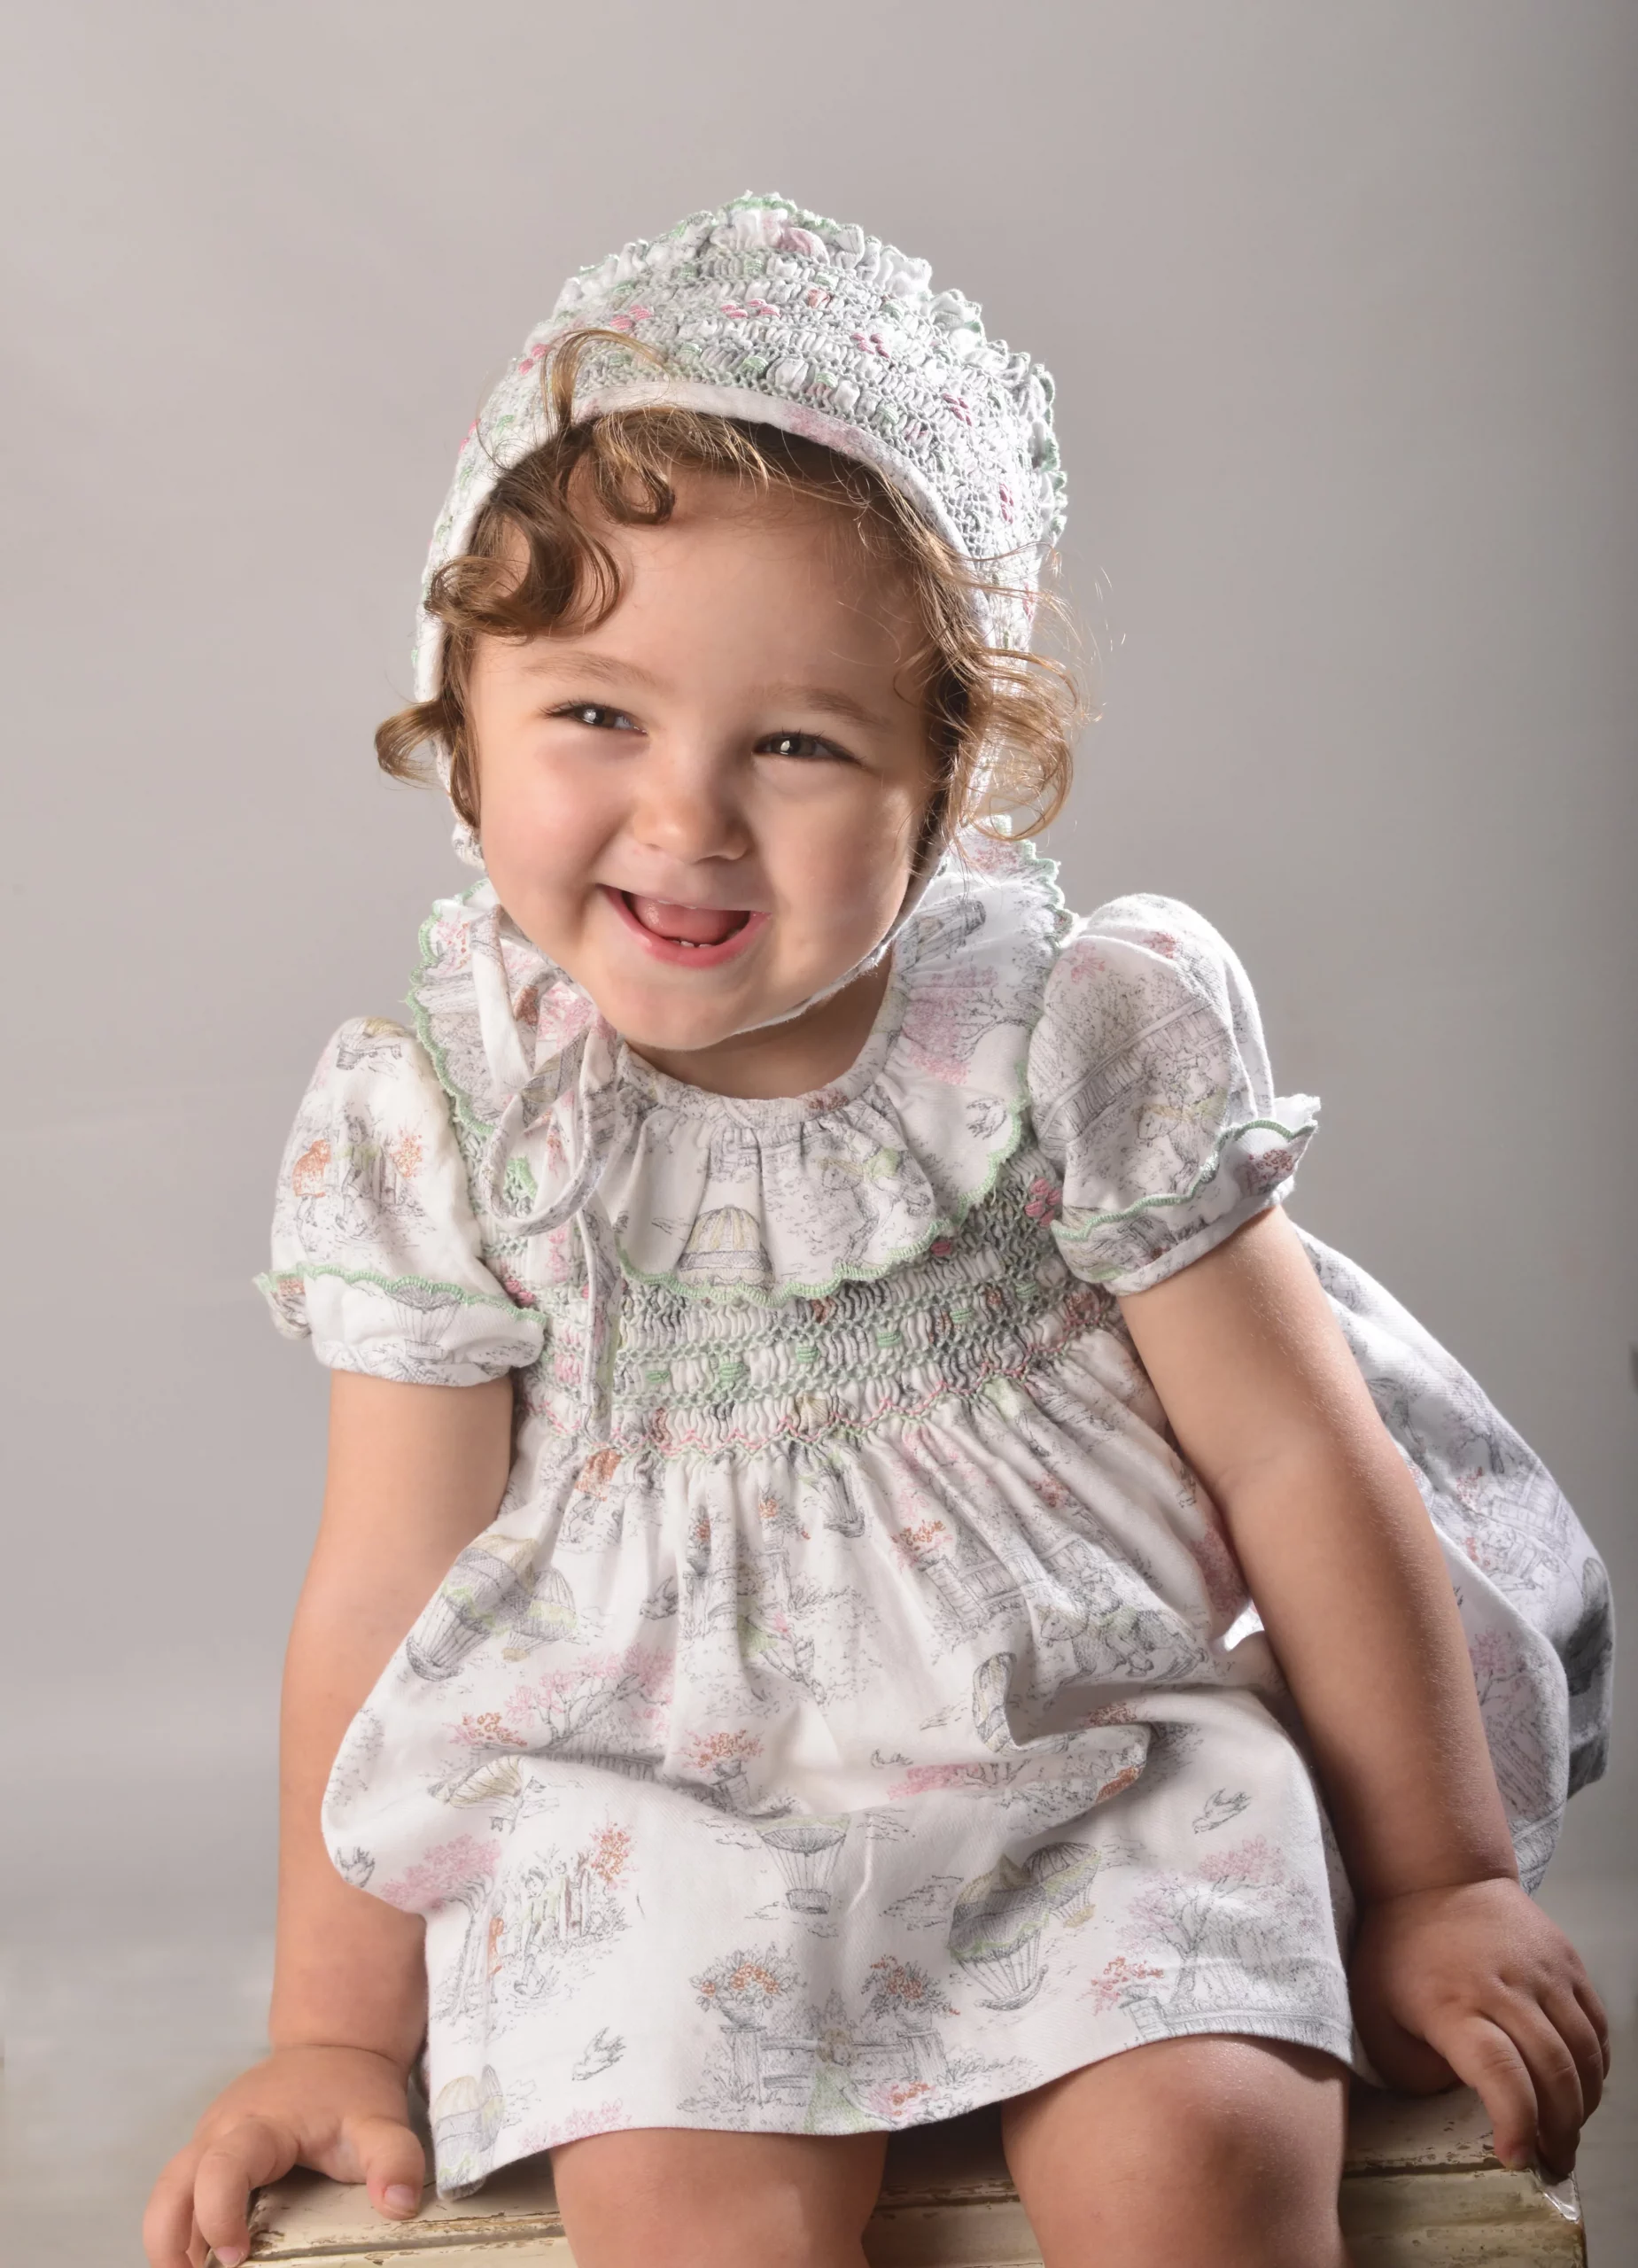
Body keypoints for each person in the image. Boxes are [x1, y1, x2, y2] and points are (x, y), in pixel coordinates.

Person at [144, 193, 1613, 2268]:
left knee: (1202, 2161)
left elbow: (1300, 1453)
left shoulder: (1070, 1031)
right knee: (694, 2210)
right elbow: (386, 1577)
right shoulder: (452, 1112)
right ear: (460, 711)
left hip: (1089, 1745)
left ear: (951, 775)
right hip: (649, 1791)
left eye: (800, 742)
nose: (687, 817)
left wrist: (1444, 1876)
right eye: (597, 714)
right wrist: (330, 2024)